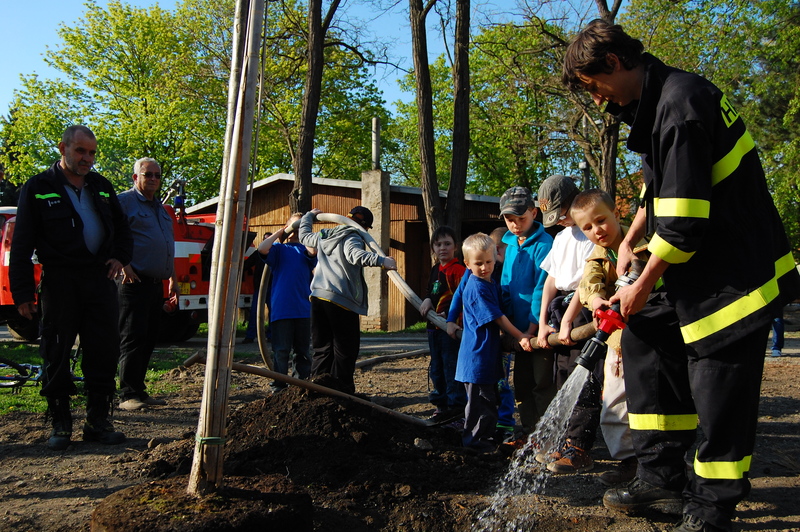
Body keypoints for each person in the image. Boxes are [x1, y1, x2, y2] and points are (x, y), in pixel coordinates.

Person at [563, 20, 800, 532]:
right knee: (647, 334)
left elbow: (685, 220)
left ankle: (711, 506)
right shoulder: (658, 105)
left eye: (595, 85)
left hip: (735, 278)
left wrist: (643, 283)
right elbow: (660, 192)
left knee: (718, 390)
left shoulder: (681, 103)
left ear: (615, 62)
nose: (598, 100)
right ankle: (660, 478)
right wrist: (629, 242)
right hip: (699, 269)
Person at [9, 125, 133, 450]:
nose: (87, 158)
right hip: (60, 282)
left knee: (103, 350)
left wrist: (120, 257)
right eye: (80, 151)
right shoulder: (38, 187)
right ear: (62, 147)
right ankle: (60, 423)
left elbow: (123, 229)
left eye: (92, 153)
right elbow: (21, 245)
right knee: (57, 350)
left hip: (99, 281)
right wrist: (22, 293)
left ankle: (97, 422)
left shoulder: (102, 186)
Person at [571, 189, 645, 486]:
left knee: (651, 403)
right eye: (587, 227)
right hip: (618, 344)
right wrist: (596, 301)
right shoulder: (596, 258)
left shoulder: (644, 243)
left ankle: (659, 461)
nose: (596, 230)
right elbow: (589, 284)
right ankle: (629, 462)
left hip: (652, 338)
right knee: (614, 404)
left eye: (601, 220)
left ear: (616, 213)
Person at [533, 175, 599, 475]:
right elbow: (551, 281)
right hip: (561, 310)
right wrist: (543, 322)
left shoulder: (590, 234)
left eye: (560, 214)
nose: (558, 221)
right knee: (562, 378)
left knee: (583, 379)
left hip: (583, 310)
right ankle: (564, 439)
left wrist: (570, 320)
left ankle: (580, 447)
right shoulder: (561, 238)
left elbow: (586, 283)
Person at [298, 206, 397, 395]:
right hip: (340, 300)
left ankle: (317, 390)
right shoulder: (353, 235)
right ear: (365, 228)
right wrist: (382, 261)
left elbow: (304, 236)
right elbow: (355, 255)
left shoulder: (325, 235)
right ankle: (343, 393)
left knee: (322, 348)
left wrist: (309, 216)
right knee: (345, 350)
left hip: (318, 297)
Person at [455, 232, 532, 453]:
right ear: (467, 264)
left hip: (486, 356)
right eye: (478, 263)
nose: (484, 267)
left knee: (489, 401)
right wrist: (520, 335)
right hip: (477, 357)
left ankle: (484, 440)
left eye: (488, 262)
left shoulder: (490, 283)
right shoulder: (477, 287)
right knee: (480, 404)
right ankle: (475, 444)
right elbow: (498, 318)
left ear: (496, 258)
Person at [117, 157, 177, 412]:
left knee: (149, 338)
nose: (153, 179)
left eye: (157, 175)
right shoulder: (124, 202)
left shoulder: (160, 209)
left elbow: (166, 244)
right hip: (133, 282)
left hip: (155, 284)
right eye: (147, 174)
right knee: (133, 337)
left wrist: (172, 277)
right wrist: (124, 264)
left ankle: (139, 390)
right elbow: (111, 235)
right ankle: (128, 394)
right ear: (135, 177)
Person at [497, 186, 554, 433]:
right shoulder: (510, 245)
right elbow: (505, 285)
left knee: (542, 383)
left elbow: (542, 289)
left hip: (538, 330)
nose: (516, 224)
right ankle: (529, 432)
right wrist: (510, 328)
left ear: (534, 213)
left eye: (521, 218)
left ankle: (547, 434)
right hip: (519, 332)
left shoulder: (545, 244)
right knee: (521, 384)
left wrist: (531, 329)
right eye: (510, 219)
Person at [255, 215, 316, 392]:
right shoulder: (279, 249)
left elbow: (313, 252)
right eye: (294, 226)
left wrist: (305, 230)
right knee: (281, 351)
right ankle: (279, 387)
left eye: (300, 227)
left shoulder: (305, 249)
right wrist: (281, 232)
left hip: (303, 309)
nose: (296, 230)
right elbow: (262, 248)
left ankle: (301, 386)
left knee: (302, 351)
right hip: (282, 309)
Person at [419, 226, 467, 423]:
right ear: (433, 248)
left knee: (450, 367)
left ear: (456, 247)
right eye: (438, 245)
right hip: (434, 329)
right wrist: (427, 299)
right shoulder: (435, 270)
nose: (443, 248)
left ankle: (456, 408)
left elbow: (464, 299)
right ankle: (441, 406)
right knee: (436, 368)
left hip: (451, 330)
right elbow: (431, 291)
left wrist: (450, 316)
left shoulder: (459, 271)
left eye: (447, 244)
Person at [242, 232, 272, 345]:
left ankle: (271, 335)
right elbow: (246, 265)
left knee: (273, 313)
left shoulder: (276, 253)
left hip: (272, 287)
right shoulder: (258, 253)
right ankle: (250, 336)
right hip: (259, 287)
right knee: (255, 312)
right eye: (265, 240)